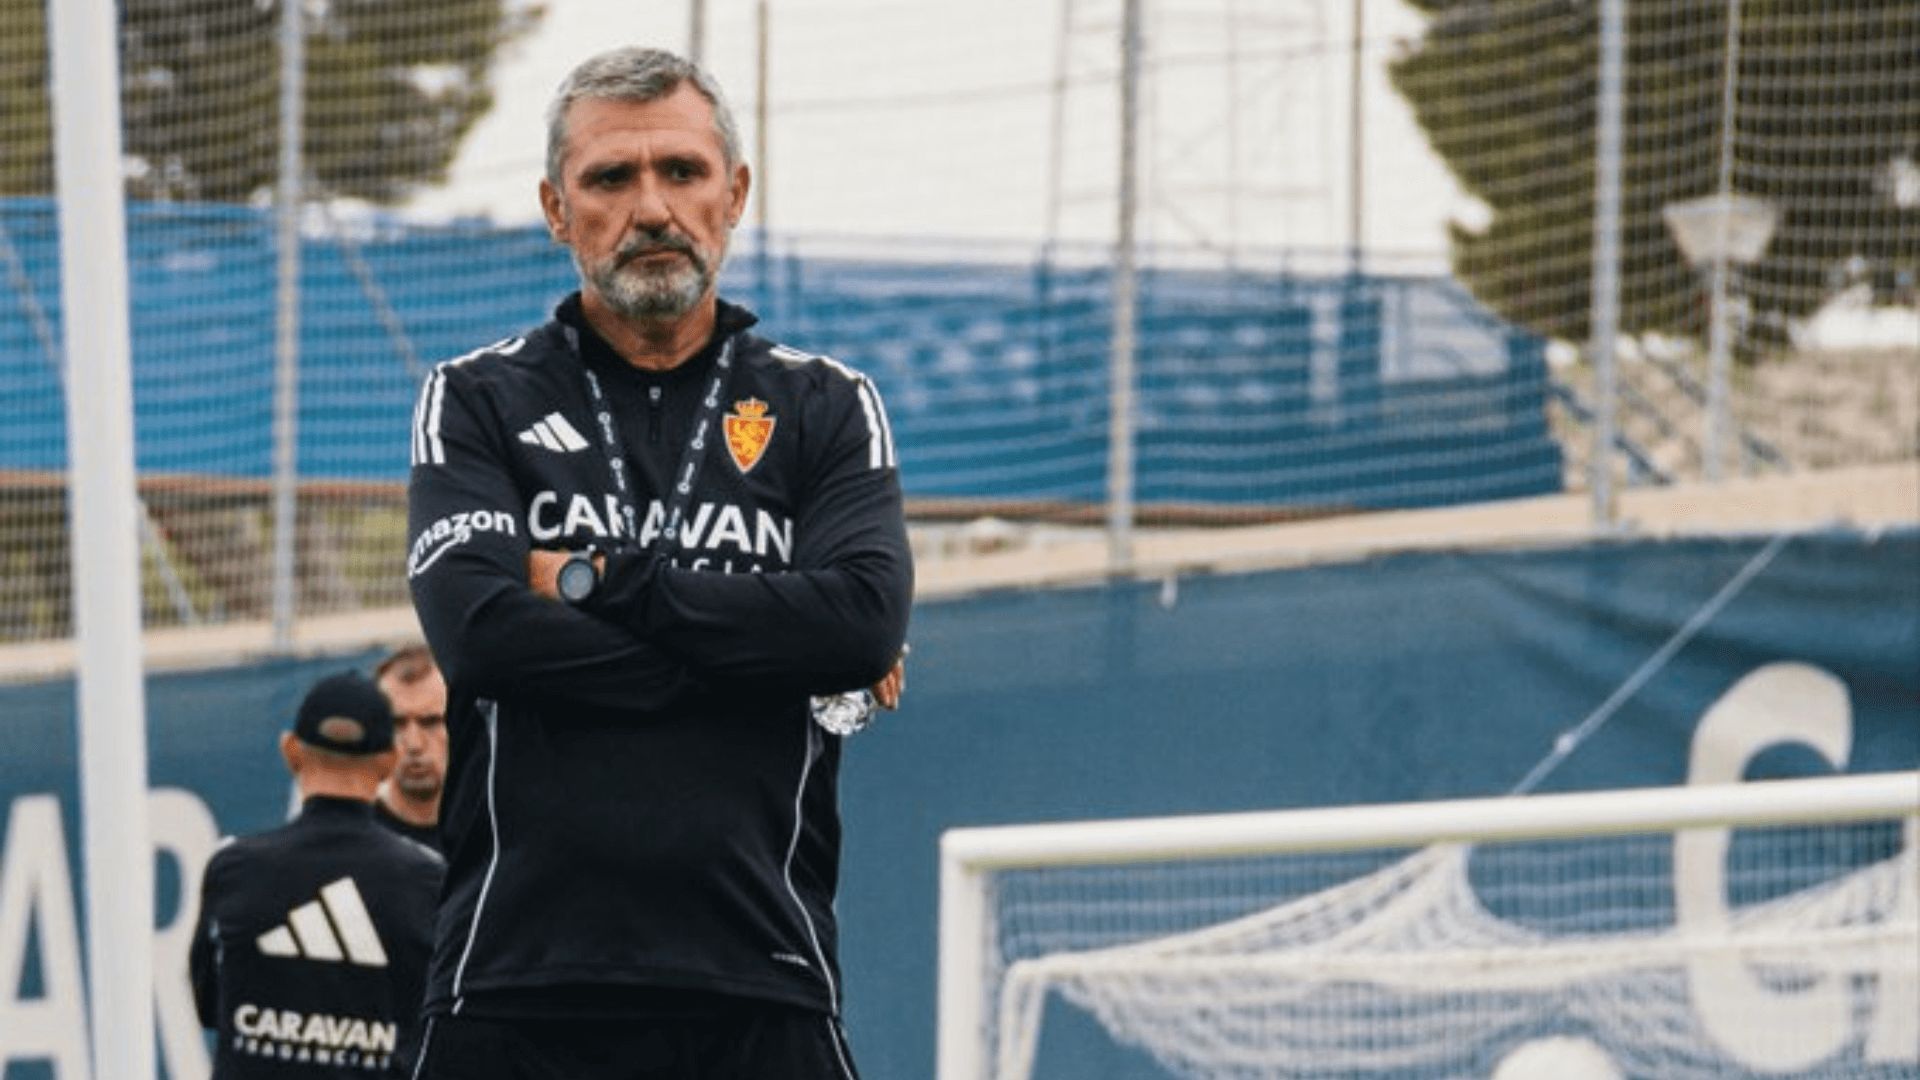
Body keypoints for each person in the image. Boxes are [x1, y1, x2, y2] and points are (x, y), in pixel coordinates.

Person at [403, 45, 912, 1078]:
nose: (651, 207)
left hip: (762, 975)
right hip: (516, 979)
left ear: (735, 194)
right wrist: (765, 655)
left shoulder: (824, 406)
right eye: (610, 178)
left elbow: (859, 623)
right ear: (556, 207)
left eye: (681, 172)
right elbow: (483, 638)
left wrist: (598, 582)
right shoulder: (476, 399)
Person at [189, 671, 444, 1078]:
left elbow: (209, 1004)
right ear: (388, 763)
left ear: (291, 751)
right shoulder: (427, 883)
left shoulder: (233, 869)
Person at [371, 643, 448, 853]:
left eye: (431, 722)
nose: (414, 744)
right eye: (397, 724)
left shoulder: (492, 833)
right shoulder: (354, 839)